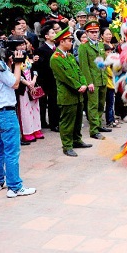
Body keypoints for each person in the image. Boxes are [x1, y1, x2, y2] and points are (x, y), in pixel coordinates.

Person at [0, 38, 36, 198]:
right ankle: (15, 187)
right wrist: (18, 64)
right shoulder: (0, 66)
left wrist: (12, 64)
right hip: (6, 113)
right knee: (12, 151)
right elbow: (15, 84)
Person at [50, 27, 92, 157]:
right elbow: (65, 77)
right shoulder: (55, 58)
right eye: (69, 40)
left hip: (78, 94)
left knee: (78, 119)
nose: (71, 43)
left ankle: (77, 140)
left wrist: (84, 83)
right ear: (61, 42)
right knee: (67, 122)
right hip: (67, 95)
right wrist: (79, 86)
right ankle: (67, 145)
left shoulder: (69, 56)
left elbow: (79, 71)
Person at [78, 21, 111, 140]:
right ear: (86, 33)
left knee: (102, 104)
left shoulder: (101, 45)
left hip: (102, 78)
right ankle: (93, 129)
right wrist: (89, 82)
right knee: (93, 105)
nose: (94, 34)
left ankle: (98, 125)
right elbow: (84, 66)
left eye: (96, 32)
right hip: (93, 80)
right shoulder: (84, 47)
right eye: (92, 32)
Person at [12, 36, 44, 142]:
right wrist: (27, 83)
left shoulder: (28, 56)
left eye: (23, 44)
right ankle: (27, 132)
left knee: (35, 108)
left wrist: (34, 80)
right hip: (23, 87)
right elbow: (15, 73)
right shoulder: (13, 58)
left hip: (32, 85)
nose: (22, 46)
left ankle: (36, 129)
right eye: (19, 45)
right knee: (25, 110)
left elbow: (35, 69)